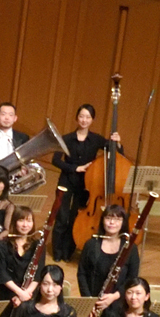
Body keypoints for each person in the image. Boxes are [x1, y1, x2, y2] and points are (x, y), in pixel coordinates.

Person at [51, 102, 117, 261]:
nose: (84, 120)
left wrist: (117, 142)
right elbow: (55, 160)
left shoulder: (96, 139)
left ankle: (68, 251)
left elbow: (115, 151)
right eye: (81, 116)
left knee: (76, 217)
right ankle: (57, 252)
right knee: (62, 217)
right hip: (66, 181)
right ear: (76, 118)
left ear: (92, 120)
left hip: (86, 185)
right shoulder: (66, 138)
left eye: (88, 117)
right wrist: (76, 168)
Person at [77, 204, 139, 303]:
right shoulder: (91, 244)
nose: (112, 222)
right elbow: (82, 273)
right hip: (94, 301)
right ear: (102, 220)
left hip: (120, 302)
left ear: (123, 222)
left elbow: (132, 278)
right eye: (108, 218)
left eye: (117, 219)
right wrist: (88, 300)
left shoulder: (130, 248)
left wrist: (115, 296)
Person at [0, 206, 41, 306]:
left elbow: (38, 273)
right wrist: (20, 293)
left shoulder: (38, 245)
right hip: (7, 293)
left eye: (29, 221)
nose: (25, 225)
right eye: (21, 220)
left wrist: (25, 294)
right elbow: (2, 273)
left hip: (30, 294)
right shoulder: (2, 245)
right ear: (14, 222)